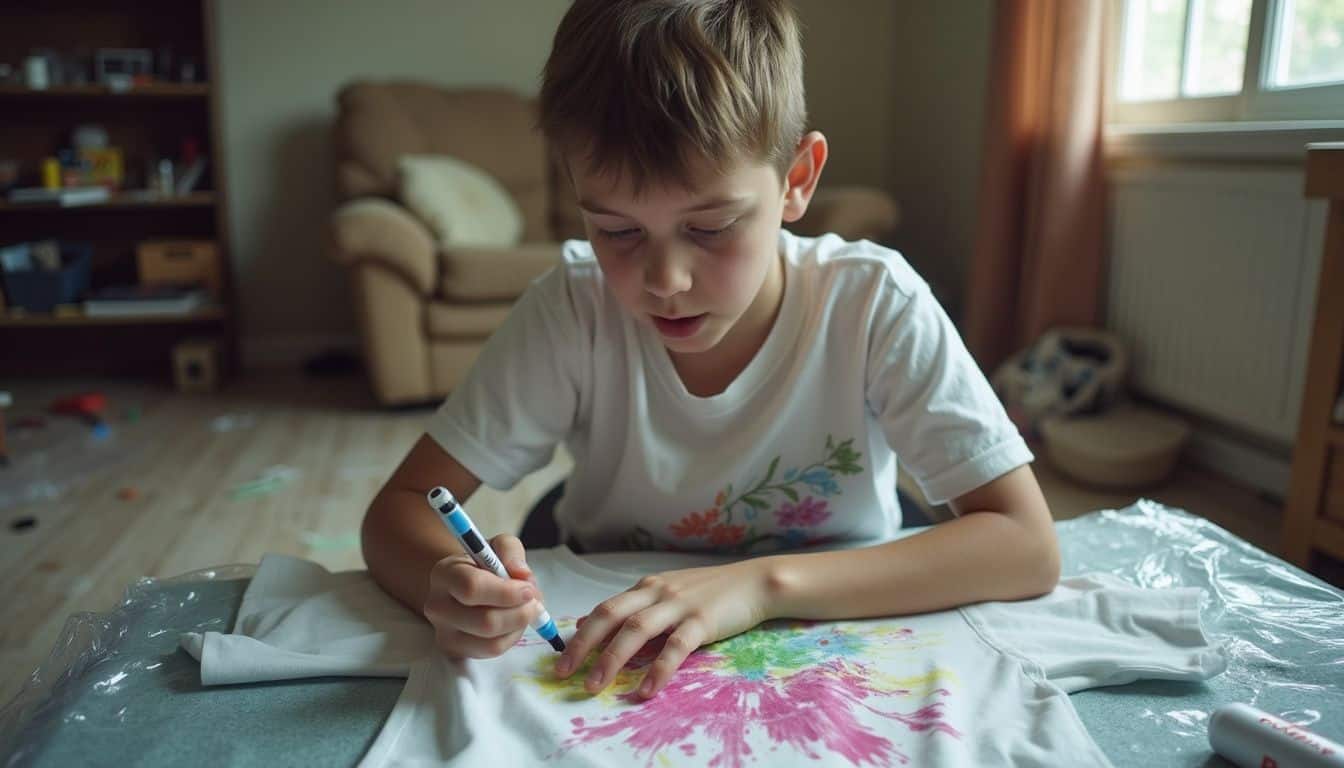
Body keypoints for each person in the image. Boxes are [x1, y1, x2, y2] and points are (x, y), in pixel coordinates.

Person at [362, 0, 1060, 702]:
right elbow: (400, 511)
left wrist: (758, 586)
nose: (665, 282)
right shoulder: (573, 308)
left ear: (797, 179)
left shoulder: (872, 302)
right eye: (617, 231)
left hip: (827, 627)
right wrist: (444, 585)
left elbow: (1026, 543)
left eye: (712, 227)